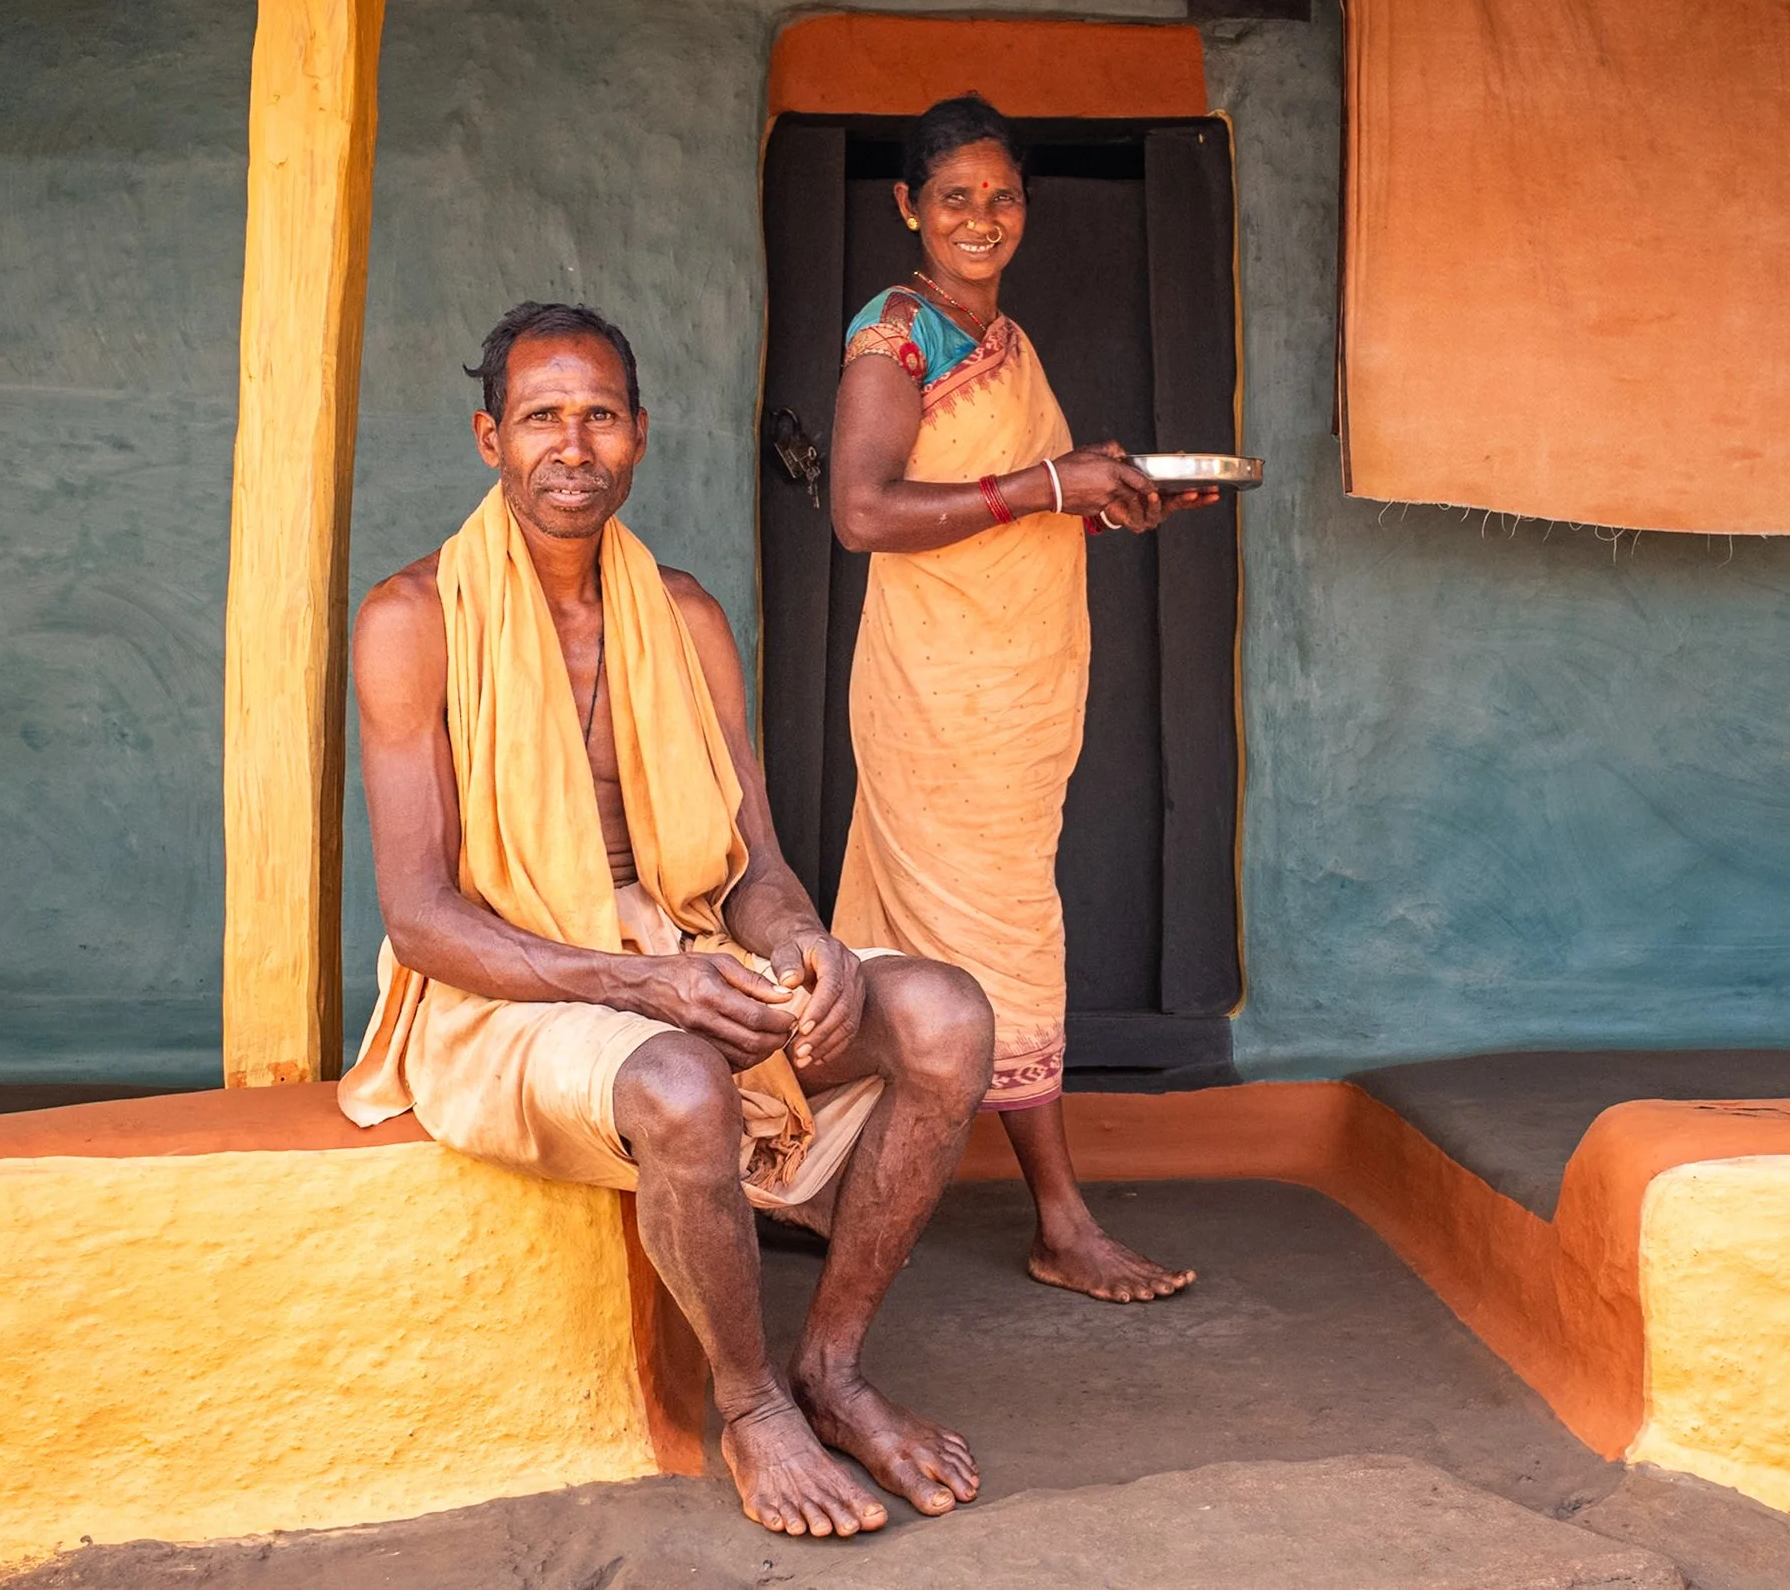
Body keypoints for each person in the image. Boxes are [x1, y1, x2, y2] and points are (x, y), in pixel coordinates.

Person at [341, 301, 992, 1539]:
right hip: (505, 987)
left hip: (681, 949)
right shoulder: (411, 620)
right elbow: (421, 915)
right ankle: (753, 1410)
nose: (570, 444)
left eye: (598, 416)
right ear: (491, 438)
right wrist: (643, 986)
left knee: (945, 1017)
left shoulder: (682, 615)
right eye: (541, 416)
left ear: (640, 435)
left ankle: (834, 1367)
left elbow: (751, 863)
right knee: (686, 1083)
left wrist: (802, 939)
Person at [827, 96, 1214, 1305]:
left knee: (918, 940)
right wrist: (1050, 480)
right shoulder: (898, 335)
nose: (980, 219)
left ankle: (807, 1179)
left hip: (1008, 693)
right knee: (1002, 940)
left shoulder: (1004, 339)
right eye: (954, 197)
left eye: (1000, 197)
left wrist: (1104, 496)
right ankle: (1062, 1217)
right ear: (908, 209)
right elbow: (864, 512)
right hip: (940, 701)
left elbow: (1001, 509)